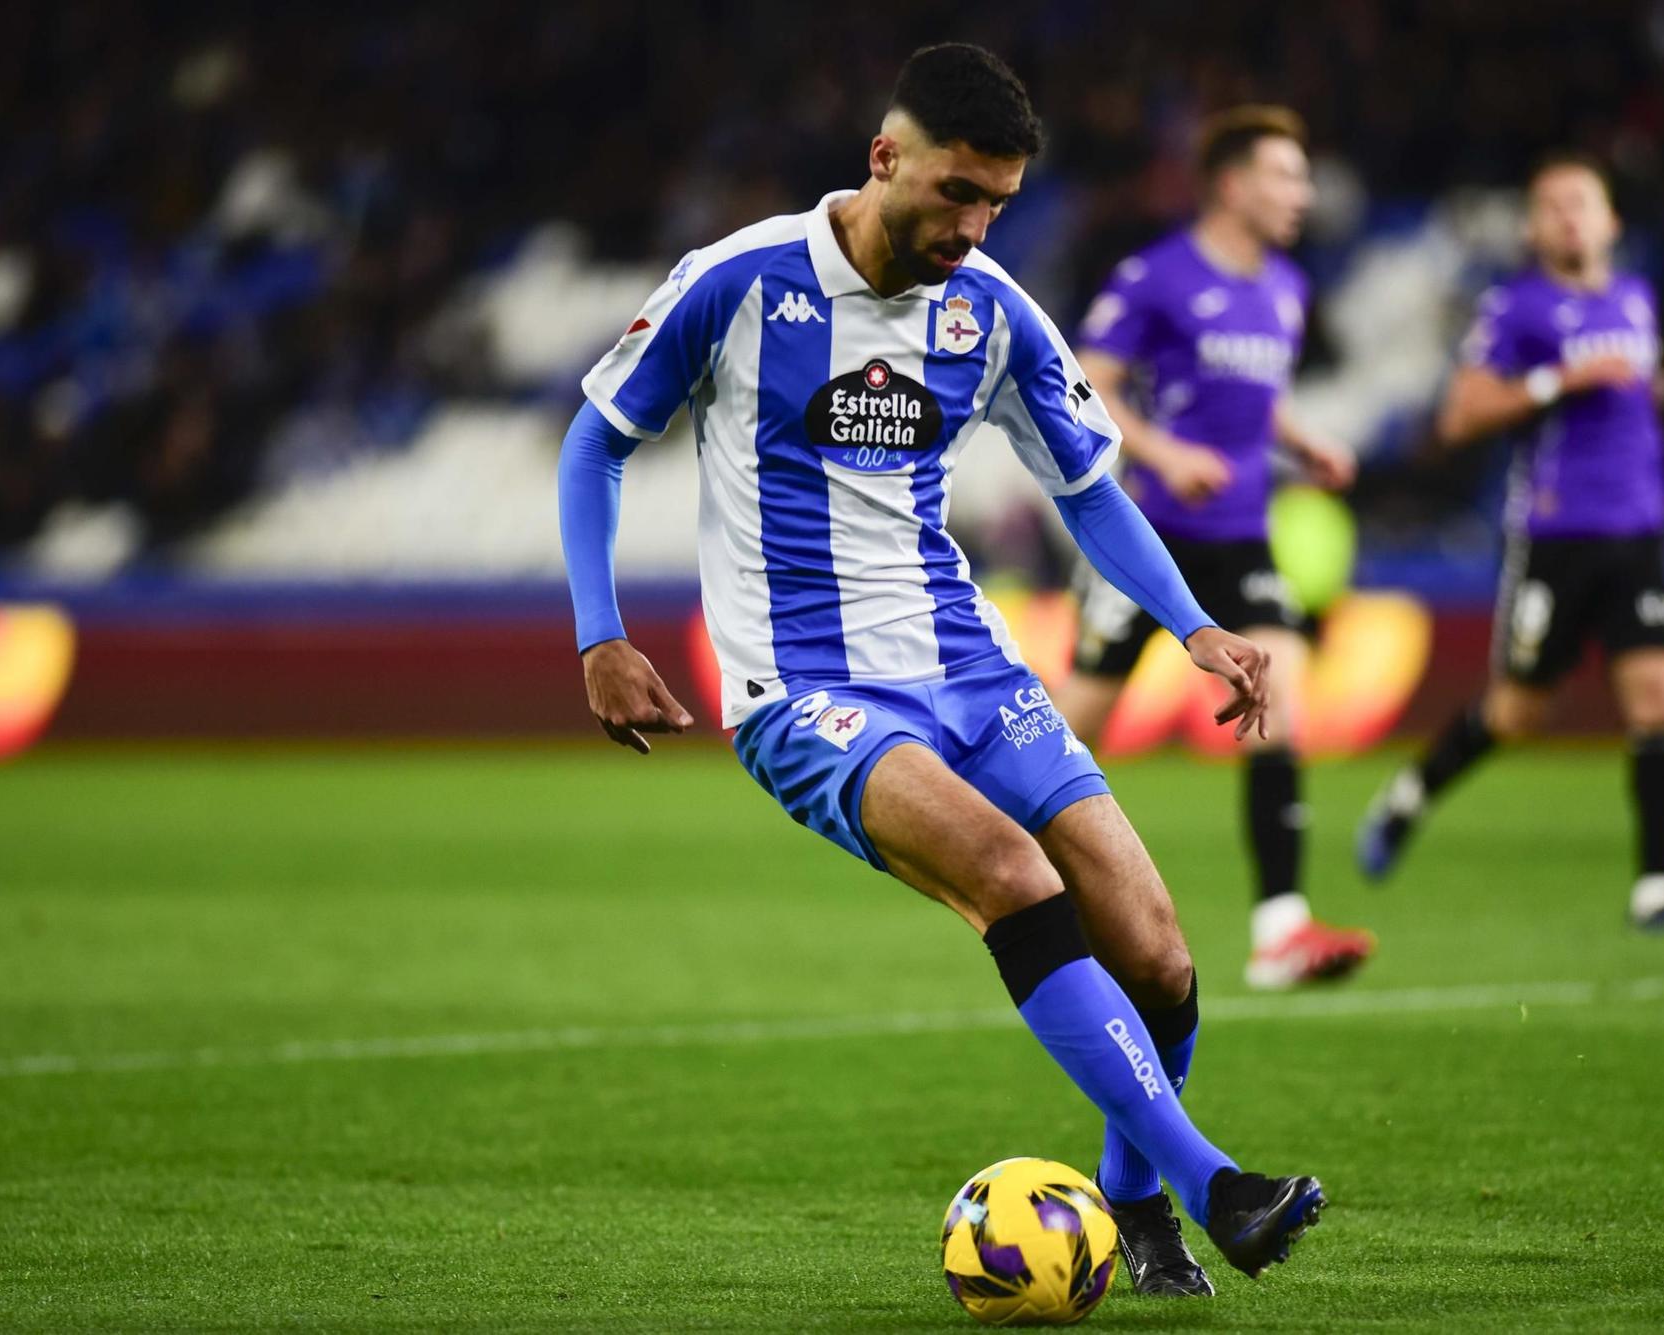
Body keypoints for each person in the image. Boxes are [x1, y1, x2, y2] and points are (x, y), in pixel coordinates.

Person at [559, 44, 1323, 1301]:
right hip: (804, 689)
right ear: (883, 159)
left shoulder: (994, 313)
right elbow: (595, 442)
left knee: (1160, 953)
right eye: (954, 195)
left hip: (968, 667)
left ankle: (1135, 1212)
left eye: (996, 206)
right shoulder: (740, 281)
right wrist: (600, 634)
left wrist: (1193, 630)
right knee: (1012, 881)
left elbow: (1090, 488)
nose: (971, 229)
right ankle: (1212, 1187)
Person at [1355, 151, 1664, 937]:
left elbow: (1630, 402)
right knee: (1521, 711)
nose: (1569, 216)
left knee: (1660, 700)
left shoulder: (1635, 298)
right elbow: (1460, 415)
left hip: (1641, 528)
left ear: (1611, 221)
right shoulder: (1516, 309)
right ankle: (1410, 794)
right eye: (1554, 205)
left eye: (1582, 203)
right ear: (1532, 227)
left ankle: (1658, 890)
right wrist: (1557, 380)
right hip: (1556, 534)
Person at [1052, 105, 1375, 990]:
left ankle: (1280, 928)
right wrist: (1162, 452)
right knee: (1072, 732)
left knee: (1282, 701)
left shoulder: (1287, 289)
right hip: (1149, 537)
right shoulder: (1157, 277)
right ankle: (1019, 879)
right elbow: (1089, 384)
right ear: (1232, 185)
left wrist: (1301, 441)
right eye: (1285, 175)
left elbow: (1255, 397)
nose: (1301, 194)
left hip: (1242, 537)